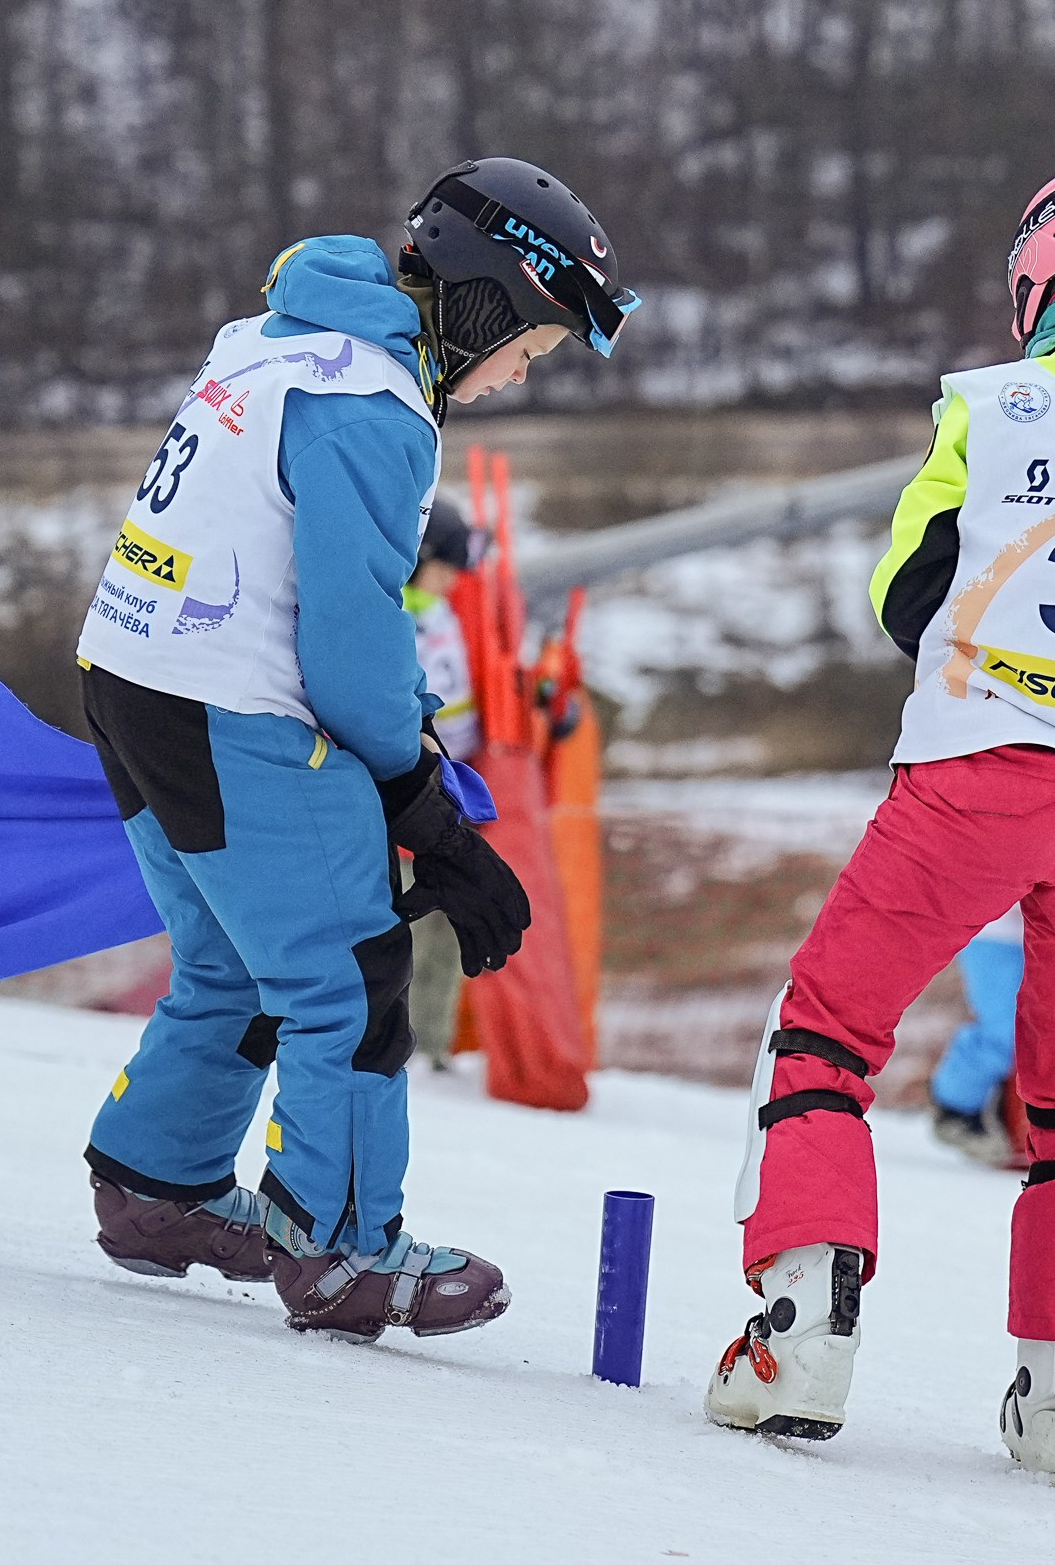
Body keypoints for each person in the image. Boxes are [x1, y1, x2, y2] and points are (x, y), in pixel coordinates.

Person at [704, 163, 1055, 1489]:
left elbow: (906, 595)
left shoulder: (990, 404)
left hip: (977, 773)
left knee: (828, 1030)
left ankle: (801, 1332)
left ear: (1037, 290)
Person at [76, 157, 638, 1342]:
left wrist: (408, 770)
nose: (515, 378)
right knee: (349, 977)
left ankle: (155, 1188)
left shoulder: (281, 337)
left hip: (131, 679)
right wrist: (419, 794)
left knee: (235, 965)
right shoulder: (376, 403)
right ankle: (342, 1253)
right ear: (487, 301)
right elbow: (347, 630)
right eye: (529, 349)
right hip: (233, 704)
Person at [405, 503, 482, 1070]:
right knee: (410, 926)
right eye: (444, 569)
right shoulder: (396, 611)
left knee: (450, 927)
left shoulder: (444, 612)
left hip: (454, 790)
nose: (452, 581)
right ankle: (403, 1039)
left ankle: (435, 1044)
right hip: (413, 792)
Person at [928, 904, 1026, 1166]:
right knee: (1005, 1032)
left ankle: (1013, 1125)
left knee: (1035, 1038)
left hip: (1042, 936)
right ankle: (955, 1109)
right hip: (997, 931)